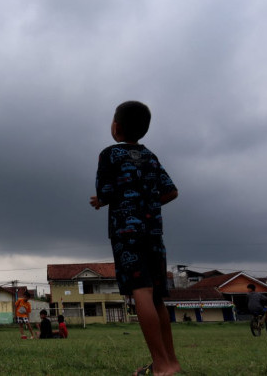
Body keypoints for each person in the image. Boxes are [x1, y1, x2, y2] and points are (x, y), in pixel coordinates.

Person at [90, 101, 181, 376]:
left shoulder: (110, 154)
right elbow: (171, 191)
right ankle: (171, 362)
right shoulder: (150, 156)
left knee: (141, 291)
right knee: (157, 297)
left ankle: (161, 366)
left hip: (126, 234)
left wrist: (100, 201)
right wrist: (146, 204)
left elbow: (105, 192)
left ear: (116, 127)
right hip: (153, 232)